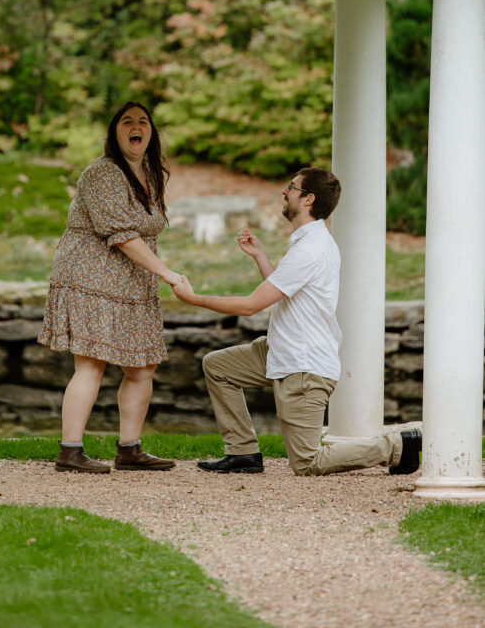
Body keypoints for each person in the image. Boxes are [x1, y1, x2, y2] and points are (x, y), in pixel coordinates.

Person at [171, 167, 421, 477]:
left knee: (307, 462)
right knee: (218, 366)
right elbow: (283, 292)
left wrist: (193, 298)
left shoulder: (311, 249)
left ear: (308, 199)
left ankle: (396, 444)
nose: (284, 192)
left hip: (303, 368)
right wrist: (261, 256)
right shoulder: (307, 242)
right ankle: (242, 452)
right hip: (279, 352)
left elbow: (251, 306)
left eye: (291, 187)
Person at [39, 101, 183, 474]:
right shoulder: (101, 174)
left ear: (150, 132)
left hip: (132, 280)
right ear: (114, 131)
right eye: (127, 122)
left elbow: (144, 231)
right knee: (91, 364)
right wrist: (167, 273)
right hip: (91, 277)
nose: (136, 127)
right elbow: (121, 236)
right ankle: (70, 451)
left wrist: (155, 274)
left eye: (143, 122)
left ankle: (129, 450)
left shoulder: (151, 172)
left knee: (142, 367)